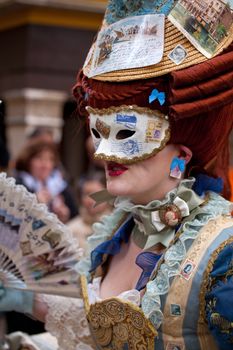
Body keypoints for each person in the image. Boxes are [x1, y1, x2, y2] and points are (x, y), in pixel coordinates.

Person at [0, 1, 232, 349]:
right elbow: (98, 333)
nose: (103, 152)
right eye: (97, 131)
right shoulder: (117, 233)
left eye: (126, 133)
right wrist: (29, 302)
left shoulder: (222, 251)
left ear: (181, 155)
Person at [13, 139, 78, 223]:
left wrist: (65, 215)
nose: (45, 164)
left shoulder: (60, 185)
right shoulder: (18, 185)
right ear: (28, 161)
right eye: (39, 158)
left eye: (50, 159)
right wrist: (35, 203)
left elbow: (75, 214)